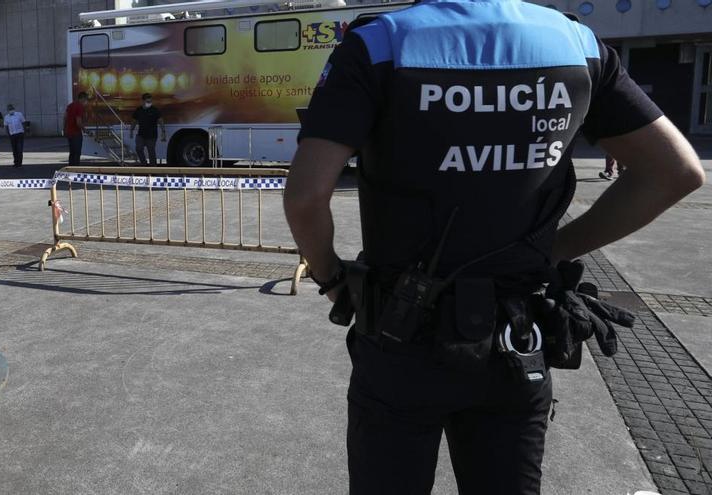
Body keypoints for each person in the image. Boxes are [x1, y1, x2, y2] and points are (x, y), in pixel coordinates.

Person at [283, 2, 705, 494]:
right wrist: (553, 249)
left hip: (400, 335)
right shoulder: (576, 43)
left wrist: (332, 278)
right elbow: (676, 172)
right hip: (516, 337)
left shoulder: (382, 42)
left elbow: (307, 196)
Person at [130, 93, 167, 166]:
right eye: (147, 102)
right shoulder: (139, 110)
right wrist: (131, 130)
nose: (149, 103)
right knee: (139, 149)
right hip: (141, 134)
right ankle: (144, 164)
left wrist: (163, 131)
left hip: (152, 135)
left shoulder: (154, 110)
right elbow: (134, 121)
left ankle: (153, 167)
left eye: (150, 101)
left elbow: (160, 121)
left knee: (151, 151)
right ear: (143, 101)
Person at [64, 92, 89, 167]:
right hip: (76, 133)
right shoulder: (80, 107)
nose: (86, 102)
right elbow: (78, 122)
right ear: (83, 98)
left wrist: (64, 129)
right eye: (86, 99)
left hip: (69, 133)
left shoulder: (70, 105)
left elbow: (65, 117)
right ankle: (76, 170)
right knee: (77, 153)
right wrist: (84, 129)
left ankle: (70, 169)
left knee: (72, 152)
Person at [4, 103, 26, 168]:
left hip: (19, 134)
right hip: (12, 135)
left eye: (11, 109)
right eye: (9, 109)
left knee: (19, 149)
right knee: (14, 149)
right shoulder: (6, 117)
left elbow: (23, 122)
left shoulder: (19, 114)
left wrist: (24, 132)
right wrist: (8, 134)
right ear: (7, 110)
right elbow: (6, 127)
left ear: (13, 109)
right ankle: (16, 163)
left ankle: (19, 163)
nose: (10, 110)